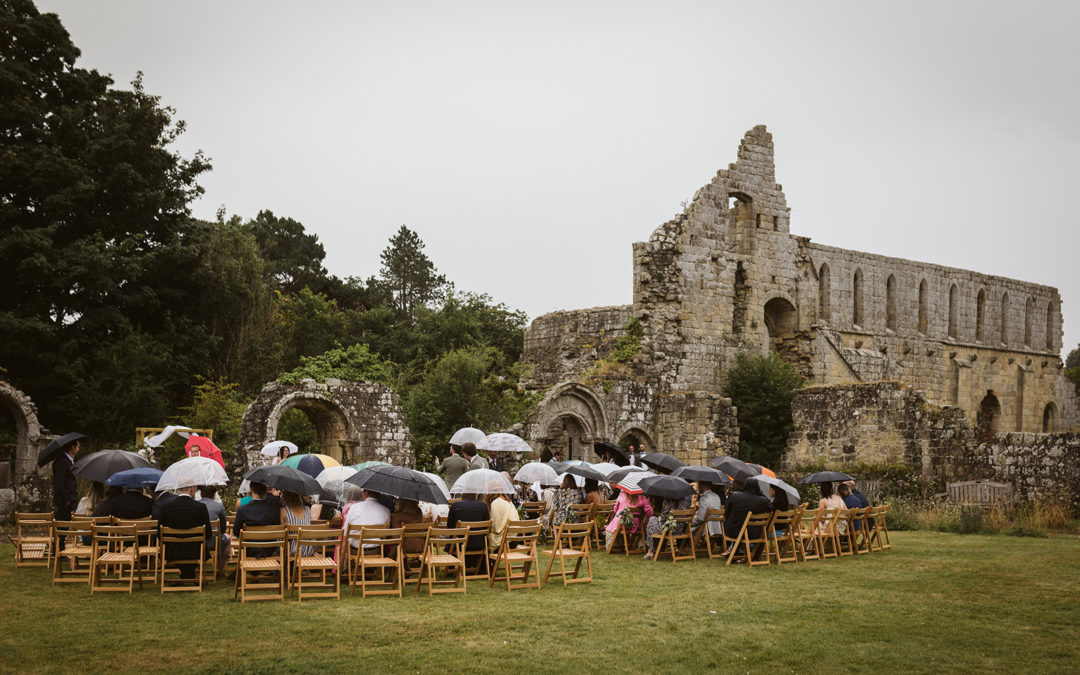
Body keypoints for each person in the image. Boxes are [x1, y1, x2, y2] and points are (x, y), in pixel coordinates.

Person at [158, 484, 211, 579]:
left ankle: (186, 574)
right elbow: (208, 534)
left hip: (172, 552)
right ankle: (189, 573)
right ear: (192, 489)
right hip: (196, 552)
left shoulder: (166, 507)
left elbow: (159, 534)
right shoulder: (200, 507)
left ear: (179, 489)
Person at [721, 478, 772, 556]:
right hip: (755, 533)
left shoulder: (734, 496)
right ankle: (755, 556)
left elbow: (726, 515)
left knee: (743, 527)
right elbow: (771, 506)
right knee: (757, 529)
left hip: (733, 531)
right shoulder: (761, 500)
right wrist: (760, 493)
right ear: (757, 487)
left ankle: (735, 552)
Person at [447, 492, 489, 568]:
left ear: (463, 495)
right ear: (476, 495)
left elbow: (450, 527)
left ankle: (452, 567)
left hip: (459, 544)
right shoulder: (483, 506)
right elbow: (487, 528)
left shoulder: (455, 506)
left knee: (453, 538)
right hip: (478, 544)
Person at [52, 439, 79, 549]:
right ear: (72, 447)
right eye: (77, 446)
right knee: (62, 524)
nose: (78, 449)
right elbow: (59, 483)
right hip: (64, 500)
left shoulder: (68, 461)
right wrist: (67, 498)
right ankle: (58, 549)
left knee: (65, 524)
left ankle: (60, 548)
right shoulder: (62, 462)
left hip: (69, 498)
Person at [198, 485, 229, 569]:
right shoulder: (218, 506)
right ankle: (219, 567)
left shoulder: (196, 505)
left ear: (201, 494)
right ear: (214, 495)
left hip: (198, 541)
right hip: (215, 542)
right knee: (228, 538)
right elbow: (223, 527)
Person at [280, 491, 313, 556]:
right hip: (308, 550)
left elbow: (282, 534)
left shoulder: (283, 511)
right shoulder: (308, 510)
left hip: (292, 551)